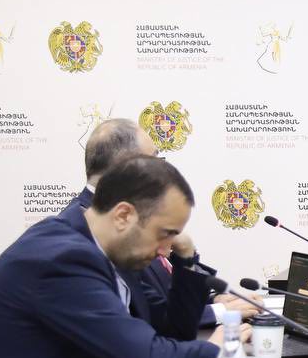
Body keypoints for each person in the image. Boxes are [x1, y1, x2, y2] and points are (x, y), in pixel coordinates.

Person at [0, 157, 242, 358]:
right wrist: (216, 349)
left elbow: (172, 331)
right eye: (163, 234)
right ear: (123, 216)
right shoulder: (61, 259)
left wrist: (186, 257)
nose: (164, 249)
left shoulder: (110, 248)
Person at [69, 118, 259, 330]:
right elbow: (138, 321)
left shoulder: (130, 217)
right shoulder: (87, 234)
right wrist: (220, 316)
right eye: (155, 161)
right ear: (126, 168)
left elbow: (156, 301)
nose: (161, 172)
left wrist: (214, 300)